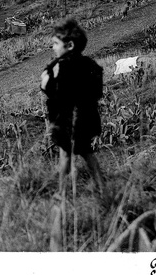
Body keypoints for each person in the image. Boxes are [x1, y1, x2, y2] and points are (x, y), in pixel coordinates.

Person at [40, 18, 106, 195]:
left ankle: (61, 192)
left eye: (55, 43)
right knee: (87, 153)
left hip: (66, 120)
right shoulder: (90, 65)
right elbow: (97, 91)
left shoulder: (58, 66)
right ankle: (102, 188)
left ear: (68, 45)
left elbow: (48, 88)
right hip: (86, 119)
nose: (53, 47)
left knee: (65, 156)